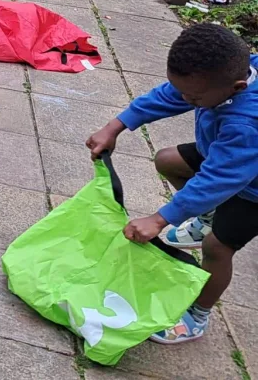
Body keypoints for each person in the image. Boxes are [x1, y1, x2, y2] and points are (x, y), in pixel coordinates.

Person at [86, 22, 258, 344]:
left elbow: (219, 179)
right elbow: (168, 97)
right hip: (227, 158)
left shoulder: (246, 124)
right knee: (167, 160)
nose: (184, 99)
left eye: (192, 97)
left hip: (251, 190)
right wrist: (115, 126)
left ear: (235, 88)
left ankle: (197, 315)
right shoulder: (224, 78)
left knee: (216, 248)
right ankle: (208, 217)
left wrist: (160, 218)